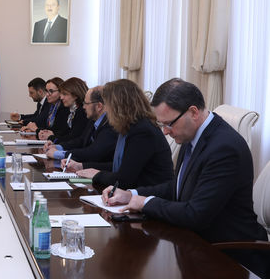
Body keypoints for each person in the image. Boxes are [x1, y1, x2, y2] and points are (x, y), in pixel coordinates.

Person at [102, 78, 267, 244]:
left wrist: (146, 203)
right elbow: (177, 188)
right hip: (194, 241)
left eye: (169, 124)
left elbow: (196, 214)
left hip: (226, 250)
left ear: (193, 112)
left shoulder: (224, 148)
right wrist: (131, 194)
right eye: (161, 124)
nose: (165, 132)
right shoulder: (192, 135)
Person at [73, 79, 173, 189]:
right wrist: (82, 166)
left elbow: (124, 180)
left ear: (118, 106)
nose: (106, 110)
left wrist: (97, 174)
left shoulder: (142, 131)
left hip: (148, 194)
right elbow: (121, 166)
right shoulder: (130, 126)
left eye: (107, 104)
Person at [43, 86, 118, 164]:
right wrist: (58, 147)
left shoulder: (110, 124)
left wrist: (61, 154)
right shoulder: (93, 119)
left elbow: (94, 152)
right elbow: (81, 141)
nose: (84, 107)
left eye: (86, 103)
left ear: (99, 106)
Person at [38, 77, 89, 142]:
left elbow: (73, 138)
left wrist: (51, 137)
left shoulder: (81, 112)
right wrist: (50, 134)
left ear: (75, 95)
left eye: (64, 94)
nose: (61, 97)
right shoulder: (73, 111)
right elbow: (66, 133)